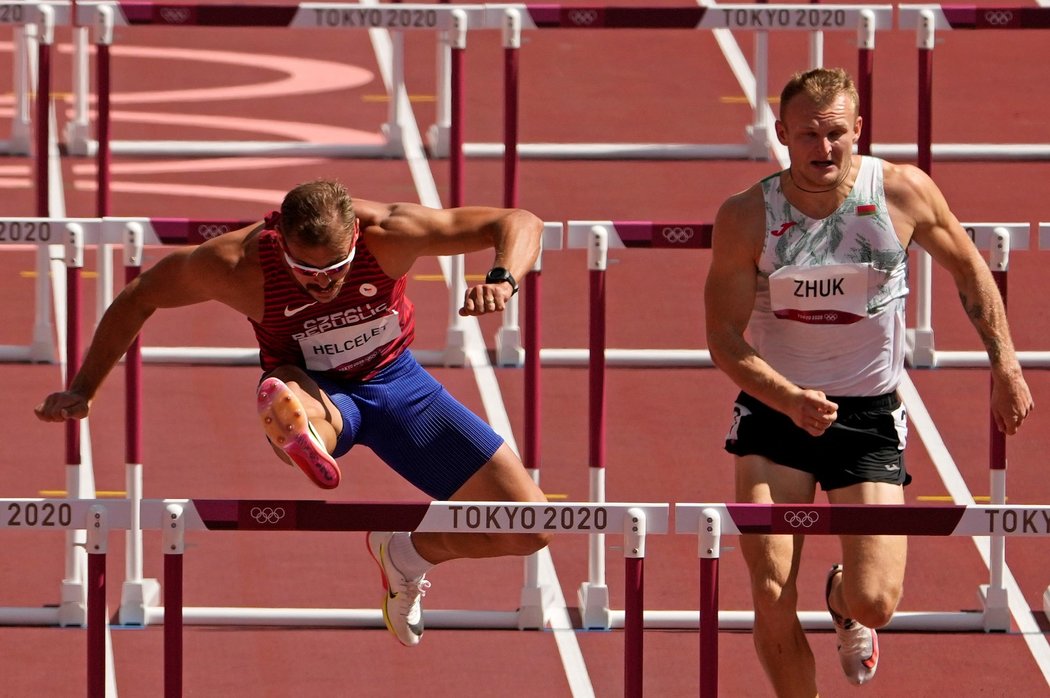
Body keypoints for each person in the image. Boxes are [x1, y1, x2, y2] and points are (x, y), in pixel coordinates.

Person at [35, 178, 552, 647]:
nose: (322, 284)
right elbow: (139, 296)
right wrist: (84, 388)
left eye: (335, 270)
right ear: (280, 240)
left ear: (356, 235)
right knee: (300, 411)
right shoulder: (235, 263)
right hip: (317, 388)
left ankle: (406, 556)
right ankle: (296, 428)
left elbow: (518, 222)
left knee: (530, 526)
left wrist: (503, 279)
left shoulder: (391, 232)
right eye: (306, 271)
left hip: (399, 386)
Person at [704, 67, 1033, 696]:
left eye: (835, 134)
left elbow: (970, 270)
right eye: (807, 136)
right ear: (782, 135)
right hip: (777, 414)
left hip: (869, 417)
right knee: (770, 588)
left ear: (858, 130)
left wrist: (1006, 366)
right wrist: (788, 398)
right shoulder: (748, 215)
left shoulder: (902, 193)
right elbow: (723, 338)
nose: (823, 150)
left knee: (877, 601)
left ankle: (842, 599)